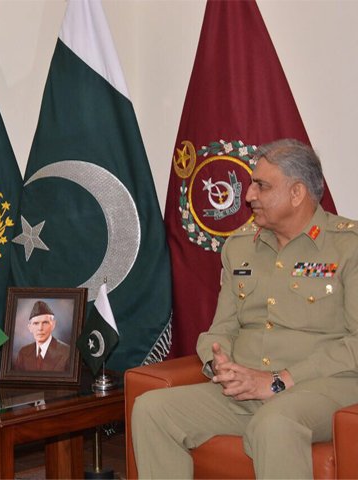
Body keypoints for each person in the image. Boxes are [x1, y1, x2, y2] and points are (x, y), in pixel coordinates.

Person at [131, 138, 358, 478]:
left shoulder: (347, 247)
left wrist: (279, 381)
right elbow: (220, 329)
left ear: (296, 194)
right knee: (152, 408)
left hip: (322, 387)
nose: (249, 194)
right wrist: (218, 361)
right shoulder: (239, 248)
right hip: (245, 389)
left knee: (275, 423)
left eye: (261, 186)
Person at [14, 300, 71, 371]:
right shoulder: (23, 352)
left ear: (53, 325)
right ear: (30, 327)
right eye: (36, 323)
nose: (40, 328)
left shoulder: (67, 352)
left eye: (45, 322)